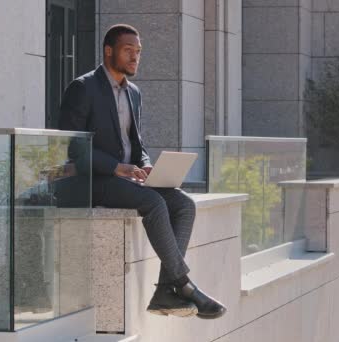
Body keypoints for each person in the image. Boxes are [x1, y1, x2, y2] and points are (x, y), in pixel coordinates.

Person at [58, 24, 226, 319]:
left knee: (183, 204)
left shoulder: (134, 93)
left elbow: (137, 144)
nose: (135, 57)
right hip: (92, 180)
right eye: (128, 51)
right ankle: (184, 286)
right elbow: (75, 148)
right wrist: (116, 167)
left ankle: (164, 290)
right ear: (108, 51)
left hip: (126, 179)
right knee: (154, 203)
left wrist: (146, 163)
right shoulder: (83, 88)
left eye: (138, 52)